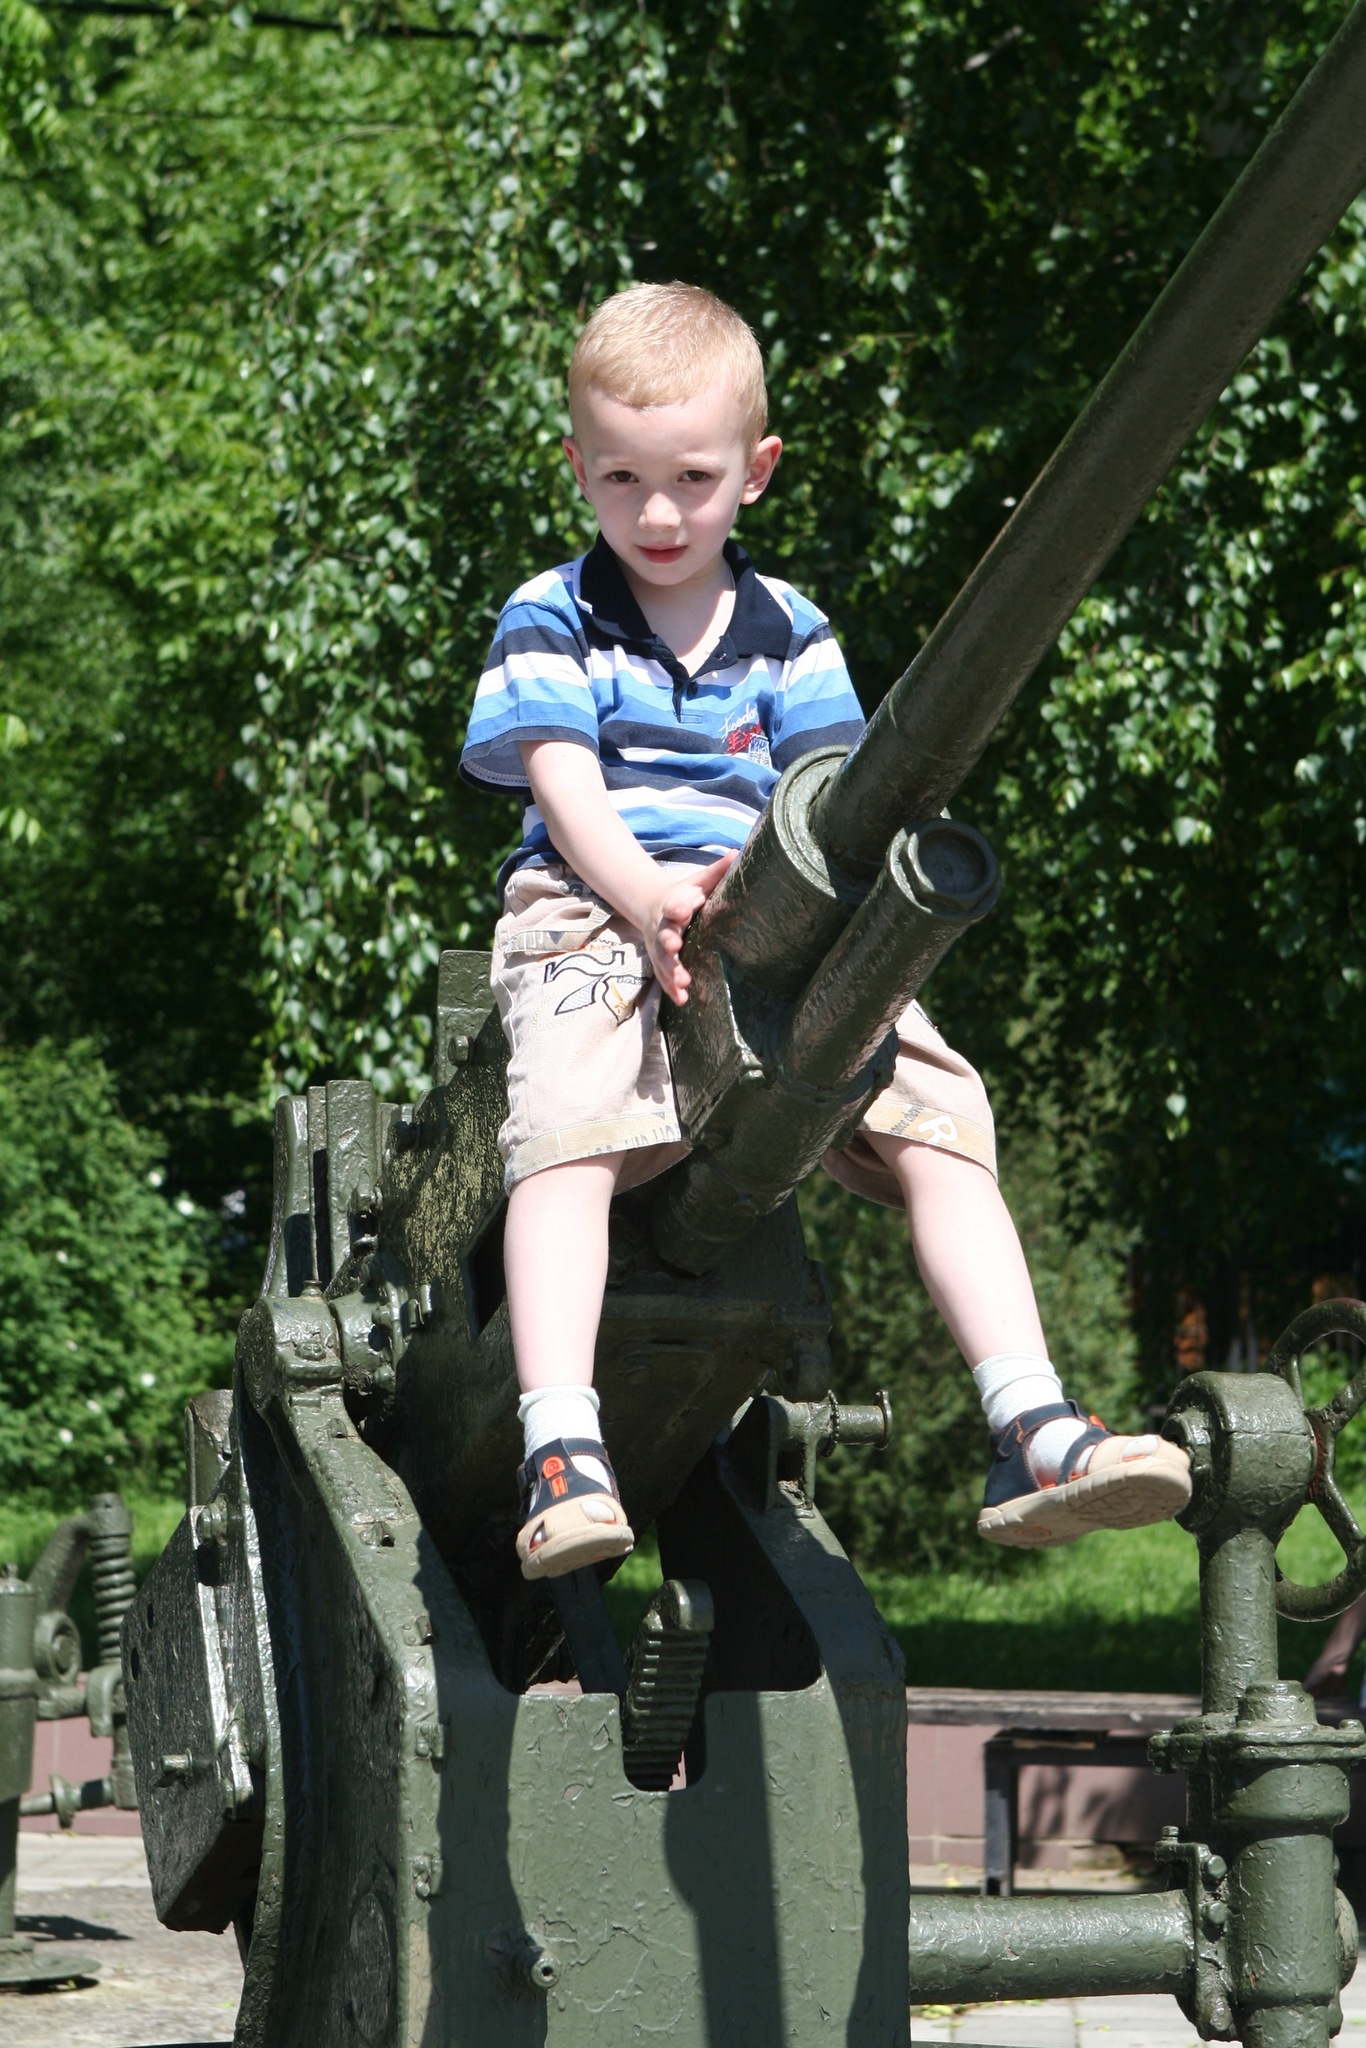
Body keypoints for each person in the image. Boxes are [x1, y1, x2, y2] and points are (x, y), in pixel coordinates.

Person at [459, 282, 1192, 1581]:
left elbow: (842, 798)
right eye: (622, 479)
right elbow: (560, 780)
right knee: (564, 1131)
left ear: (757, 471)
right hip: (590, 901)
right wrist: (643, 891)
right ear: (577, 468)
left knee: (943, 1117)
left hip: (767, 915)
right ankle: (560, 1443)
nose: (659, 513)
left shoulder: (791, 632)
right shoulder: (552, 611)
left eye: (693, 478)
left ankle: (1030, 1423)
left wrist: (822, 921)